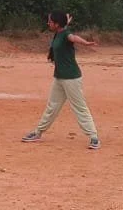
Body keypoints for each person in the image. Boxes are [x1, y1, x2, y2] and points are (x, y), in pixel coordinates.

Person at [22, 11, 100, 150]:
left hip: (71, 78)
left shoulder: (65, 34)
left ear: (57, 24)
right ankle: (38, 132)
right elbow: (65, 28)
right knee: (52, 106)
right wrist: (66, 21)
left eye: (50, 21)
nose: (48, 23)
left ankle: (93, 137)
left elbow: (73, 37)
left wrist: (86, 43)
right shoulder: (59, 32)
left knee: (80, 107)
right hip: (59, 77)